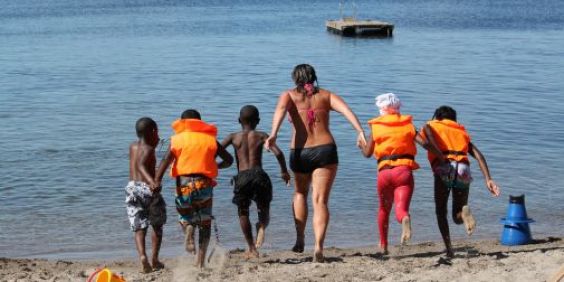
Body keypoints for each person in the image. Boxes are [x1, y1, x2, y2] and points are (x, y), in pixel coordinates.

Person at [264, 64, 366, 262]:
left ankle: (300, 238)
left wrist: (273, 134)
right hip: (325, 150)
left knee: (300, 193)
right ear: (314, 77)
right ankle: (318, 246)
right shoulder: (327, 95)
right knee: (320, 201)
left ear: (295, 79)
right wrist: (360, 131)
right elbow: (346, 110)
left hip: (300, 151)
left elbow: (280, 110)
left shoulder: (289, 95)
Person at [359, 93, 445, 254]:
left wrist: (361, 145)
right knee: (401, 208)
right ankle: (404, 219)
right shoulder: (408, 125)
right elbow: (425, 144)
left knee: (384, 209)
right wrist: (441, 156)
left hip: (384, 173)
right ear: (398, 108)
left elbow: (367, 153)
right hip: (403, 172)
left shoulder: (376, 126)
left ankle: (383, 245)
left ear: (381, 109)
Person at [155, 109, 233, 268]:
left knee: (185, 216)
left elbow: (164, 161)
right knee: (205, 223)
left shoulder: (176, 140)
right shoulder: (210, 139)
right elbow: (229, 160)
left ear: (183, 123)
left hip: (183, 185)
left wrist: (157, 180)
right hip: (204, 184)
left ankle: (188, 228)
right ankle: (200, 262)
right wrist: (214, 166)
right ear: (200, 122)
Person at [420, 105, 500, 258]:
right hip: (464, 168)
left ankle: (449, 249)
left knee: (440, 211)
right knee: (457, 215)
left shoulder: (432, 126)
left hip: (444, 167)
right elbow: (479, 156)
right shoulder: (460, 131)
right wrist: (488, 179)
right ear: (454, 120)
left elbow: (427, 138)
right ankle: (464, 214)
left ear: (437, 117)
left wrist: (442, 158)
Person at [221, 105, 291, 258]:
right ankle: (262, 226)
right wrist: (284, 171)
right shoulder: (262, 136)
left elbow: (216, 151)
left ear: (239, 120)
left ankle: (252, 247)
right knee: (263, 207)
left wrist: (215, 166)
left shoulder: (233, 137)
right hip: (259, 175)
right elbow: (278, 153)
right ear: (258, 121)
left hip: (242, 177)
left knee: (243, 212)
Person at [126, 117, 167, 273]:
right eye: (157, 132)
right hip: (146, 189)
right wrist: (152, 182)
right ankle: (155, 260)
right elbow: (142, 165)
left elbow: (137, 164)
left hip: (131, 188)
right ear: (153, 131)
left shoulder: (132, 147)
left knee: (138, 226)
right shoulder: (149, 149)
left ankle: (143, 256)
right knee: (157, 224)